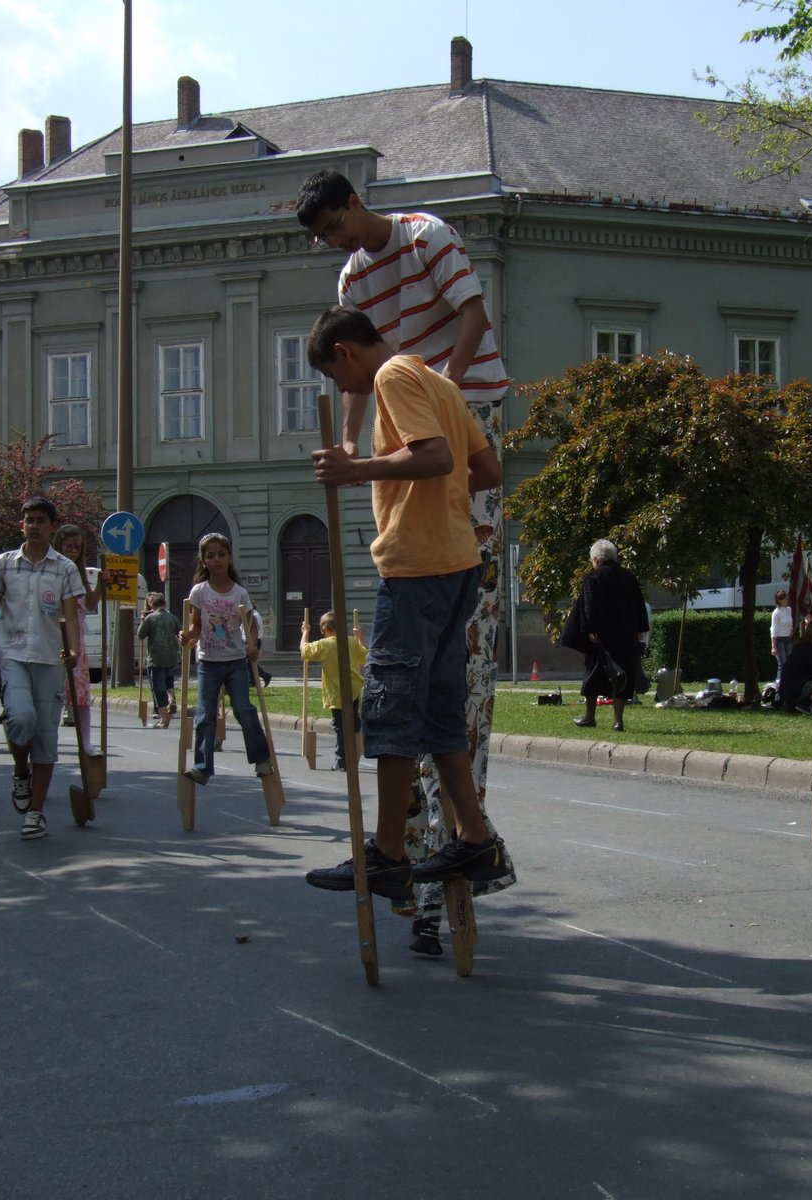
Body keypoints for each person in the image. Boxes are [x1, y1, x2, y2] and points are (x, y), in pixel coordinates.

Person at [300, 171, 515, 950]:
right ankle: (472, 835)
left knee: (391, 710)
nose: (334, 244)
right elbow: (482, 469)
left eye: (334, 227)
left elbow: (469, 322)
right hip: (453, 561)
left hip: (418, 566)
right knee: (442, 708)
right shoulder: (379, 322)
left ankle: (390, 854)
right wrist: (366, 447)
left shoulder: (421, 259)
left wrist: (370, 459)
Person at [0, 497, 87, 841]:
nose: (34, 525)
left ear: (52, 526)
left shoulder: (64, 568)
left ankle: (35, 812)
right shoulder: (5, 563)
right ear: (22, 525)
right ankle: (21, 770)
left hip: (51, 659)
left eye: (41, 520)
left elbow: (70, 614)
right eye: (29, 520)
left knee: (46, 736)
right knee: (20, 719)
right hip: (13, 655)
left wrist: (74, 649)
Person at [177, 533, 273, 785]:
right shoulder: (200, 592)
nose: (217, 560)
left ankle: (262, 759)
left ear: (230, 558)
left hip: (235, 661)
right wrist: (187, 636)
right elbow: (195, 626)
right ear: (203, 561)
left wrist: (253, 647)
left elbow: (250, 626)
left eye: (221, 554)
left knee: (243, 709)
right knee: (205, 715)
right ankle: (202, 767)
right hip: (208, 662)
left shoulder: (239, 594)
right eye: (210, 556)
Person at [560, 539, 649, 732]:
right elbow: (639, 605)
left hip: (601, 637)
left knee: (593, 675)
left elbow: (588, 606)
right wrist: (640, 630)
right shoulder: (629, 577)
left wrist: (589, 630)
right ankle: (618, 721)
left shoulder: (593, 577)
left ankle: (589, 716)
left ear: (596, 559)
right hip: (625, 634)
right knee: (622, 677)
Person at [54, 524, 101, 757]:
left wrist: (101, 583)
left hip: (77, 641)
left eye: (77, 547)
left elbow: (90, 603)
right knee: (51, 693)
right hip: (54, 637)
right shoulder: (52, 570)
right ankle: (48, 739)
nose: (73, 551)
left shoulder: (79, 572)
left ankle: (86, 742)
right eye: (68, 546)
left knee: (81, 694)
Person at [299, 610, 366, 770]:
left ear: (325, 629)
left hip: (337, 692)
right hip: (354, 688)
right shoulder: (351, 641)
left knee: (340, 726)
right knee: (350, 720)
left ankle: (342, 761)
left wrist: (305, 633)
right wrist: (359, 636)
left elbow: (305, 652)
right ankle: (355, 724)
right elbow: (364, 656)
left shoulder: (324, 644)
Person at [136, 591, 181, 728]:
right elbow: (180, 632)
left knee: (158, 687)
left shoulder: (151, 618)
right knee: (169, 682)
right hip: (171, 656)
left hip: (156, 657)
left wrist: (143, 621)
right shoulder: (172, 618)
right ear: (164, 604)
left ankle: (163, 720)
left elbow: (140, 635)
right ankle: (171, 699)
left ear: (152, 605)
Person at [769, 589, 795, 690]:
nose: (787, 600)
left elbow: (791, 622)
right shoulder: (776, 613)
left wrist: (791, 631)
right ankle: (779, 683)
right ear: (780, 600)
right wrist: (773, 646)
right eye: (785, 599)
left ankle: (788, 681)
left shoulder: (789, 610)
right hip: (779, 639)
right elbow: (774, 629)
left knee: (789, 661)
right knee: (782, 663)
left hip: (788, 638)